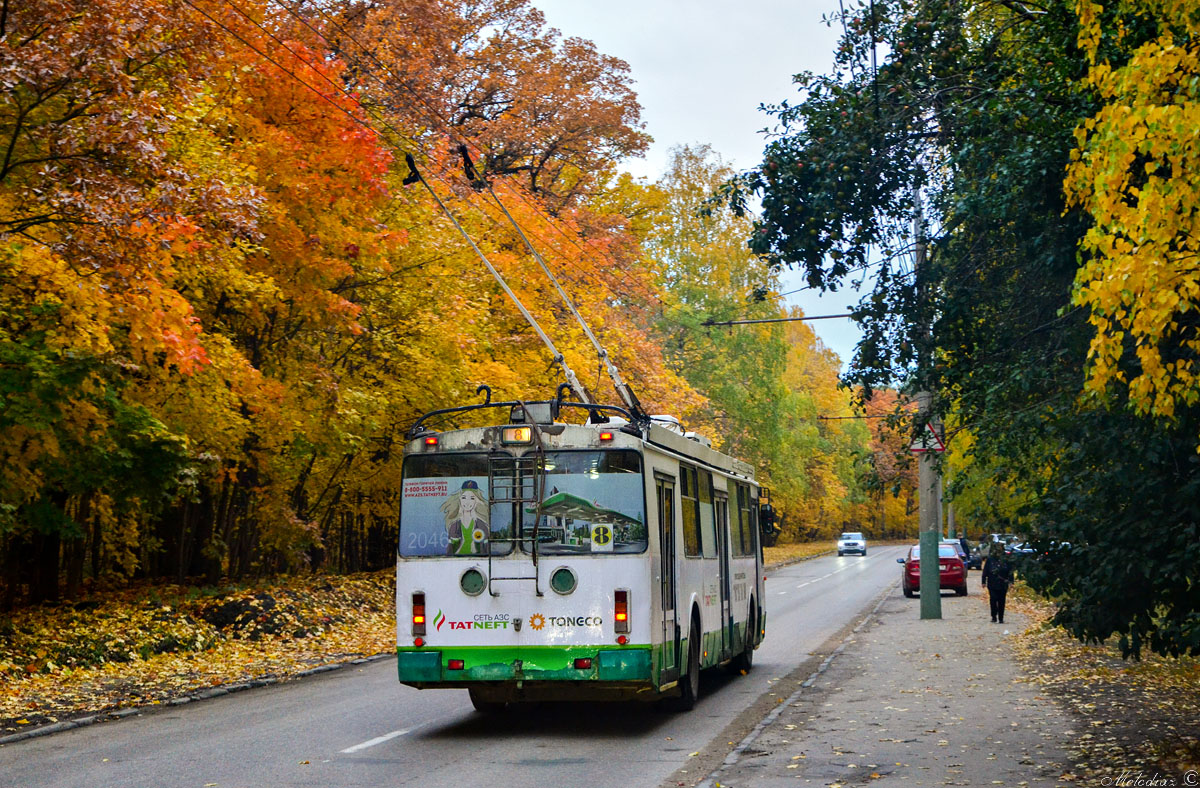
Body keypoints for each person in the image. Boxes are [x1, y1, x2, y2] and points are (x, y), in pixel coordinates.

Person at [441, 480, 490, 555]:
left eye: (472, 498)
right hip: (457, 560)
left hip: (478, 560)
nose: (467, 502)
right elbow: (450, 550)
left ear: (476, 501)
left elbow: (486, 549)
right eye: (464, 498)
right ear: (459, 500)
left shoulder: (481, 525)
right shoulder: (454, 526)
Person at [980, 543, 1014, 623]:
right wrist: (983, 581)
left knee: (1002, 600)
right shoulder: (990, 559)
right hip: (992, 583)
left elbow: (1010, 571)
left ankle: (1001, 617)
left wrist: (1011, 581)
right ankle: (994, 616)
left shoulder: (1006, 559)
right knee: (993, 599)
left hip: (1003, 583)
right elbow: (985, 571)